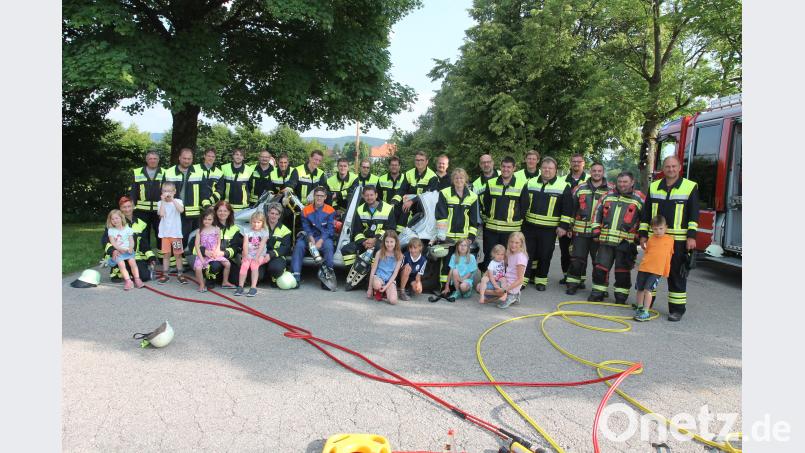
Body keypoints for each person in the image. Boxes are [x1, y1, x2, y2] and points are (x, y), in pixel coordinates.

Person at [639, 155, 700, 322]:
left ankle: (677, 310)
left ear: (679, 167)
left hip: (678, 241)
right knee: (652, 272)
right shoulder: (654, 187)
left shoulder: (689, 187)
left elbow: (694, 214)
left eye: (674, 166)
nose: (671, 169)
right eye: (667, 167)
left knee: (676, 275)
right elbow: (645, 213)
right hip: (656, 241)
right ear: (663, 169)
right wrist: (643, 234)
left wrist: (691, 237)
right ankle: (647, 304)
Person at [588, 172, 645, 304]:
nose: (622, 184)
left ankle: (621, 297)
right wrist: (596, 231)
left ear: (632, 182)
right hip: (606, 241)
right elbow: (597, 214)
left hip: (626, 244)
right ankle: (597, 293)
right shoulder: (607, 195)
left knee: (623, 272)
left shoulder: (640, 198)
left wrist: (639, 237)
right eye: (619, 181)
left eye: (625, 182)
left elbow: (646, 219)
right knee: (600, 269)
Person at [521, 157, 573, 290]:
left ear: (555, 170)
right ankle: (523, 280)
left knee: (545, 254)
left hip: (549, 229)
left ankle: (541, 281)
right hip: (529, 226)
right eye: (544, 168)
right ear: (540, 169)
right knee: (527, 254)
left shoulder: (563, 186)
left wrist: (563, 226)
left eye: (550, 168)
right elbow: (523, 204)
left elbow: (567, 209)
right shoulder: (530, 183)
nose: (547, 171)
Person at [565, 162, 612, 295]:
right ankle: (572, 284)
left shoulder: (611, 190)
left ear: (603, 172)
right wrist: (570, 227)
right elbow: (572, 210)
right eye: (594, 171)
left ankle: (600, 289)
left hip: (600, 234)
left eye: (599, 171)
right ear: (590, 172)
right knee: (576, 260)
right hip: (580, 232)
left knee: (600, 263)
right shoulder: (580, 188)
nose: (596, 173)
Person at [479, 156, 527, 270]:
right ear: (500, 167)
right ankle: (487, 279)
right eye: (504, 166)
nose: (506, 169)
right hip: (492, 228)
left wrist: (516, 220)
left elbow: (524, 206)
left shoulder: (521, 184)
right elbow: (486, 203)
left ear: (514, 168)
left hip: (511, 230)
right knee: (490, 254)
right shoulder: (491, 183)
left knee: (509, 257)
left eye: (509, 167)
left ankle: (505, 281)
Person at [434, 168, 478, 289]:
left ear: (465, 180)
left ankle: (457, 285)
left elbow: (473, 219)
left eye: (461, 178)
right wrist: (442, 235)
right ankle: (444, 286)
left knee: (461, 262)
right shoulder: (445, 193)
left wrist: (471, 237)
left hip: (463, 238)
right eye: (456, 178)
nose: (459, 180)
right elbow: (441, 215)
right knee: (447, 261)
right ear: (453, 180)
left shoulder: (473, 197)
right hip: (447, 236)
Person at [102, 196, 156, 282]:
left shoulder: (141, 223)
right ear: (120, 208)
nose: (127, 210)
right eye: (124, 207)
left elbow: (144, 243)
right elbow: (105, 241)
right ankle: (119, 271)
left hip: (133, 255)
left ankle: (129, 273)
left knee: (145, 277)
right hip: (119, 254)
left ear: (133, 206)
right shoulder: (115, 222)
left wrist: (151, 257)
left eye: (129, 206)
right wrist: (113, 251)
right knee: (121, 274)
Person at [341, 185, 396, 267]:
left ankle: (372, 274)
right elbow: (357, 231)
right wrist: (364, 242)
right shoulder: (359, 209)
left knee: (377, 249)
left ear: (376, 195)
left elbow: (390, 229)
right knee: (346, 249)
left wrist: (375, 240)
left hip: (380, 240)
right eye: (366, 195)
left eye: (371, 195)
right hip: (365, 241)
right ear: (363, 196)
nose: (369, 198)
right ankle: (354, 271)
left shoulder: (388, 208)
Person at [291, 186, 336, 286]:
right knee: (299, 246)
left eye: (321, 196)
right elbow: (306, 227)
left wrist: (320, 241)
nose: (319, 198)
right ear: (314, 196)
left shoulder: (331, 210)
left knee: (329, 247)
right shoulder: (305, 210)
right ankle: (295, 277)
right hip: (309, 237)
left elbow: (329, 230)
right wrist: (311, 239)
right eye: (317, 195)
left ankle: (327, 278)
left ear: (325, 197)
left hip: (324, 237)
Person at [634, 215, 675, 322]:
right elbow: (647, 254)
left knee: (648, 290)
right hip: (644, 267)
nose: (658, 231)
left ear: (666, 227)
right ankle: (639, 307)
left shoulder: (670, 240)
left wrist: (666, 271)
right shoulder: (651, 239)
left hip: (656, 270)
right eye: (655, 229)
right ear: (652, 229)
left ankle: (646, 311)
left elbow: (668, 256)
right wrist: (640, 265)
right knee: (640, 288)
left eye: (661, 228)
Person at [162, 147, 205, 247]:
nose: (187, 161)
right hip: (174, 210)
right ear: (179, 158)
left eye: (189, 158)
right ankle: (176, 256)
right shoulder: (169, 172)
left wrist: (206, 205)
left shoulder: (199, 172)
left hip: (193, 211)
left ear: (192, 159)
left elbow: (204, 191)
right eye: (184, 158)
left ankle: (187, 256)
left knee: (191, 235)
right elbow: (163, 191)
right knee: (176, 235)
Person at [559, 153, 588, 284]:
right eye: (573, 161)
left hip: (583, 223)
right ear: (570, 163)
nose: (576, 164)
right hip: (565, 221)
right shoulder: (563, 180)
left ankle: (580, 279)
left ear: (584, 163)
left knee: (580, 253)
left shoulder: (589, 180)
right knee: (565, 251)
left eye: (579, 161)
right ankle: (566, 276)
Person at [393, 151, 438, 232]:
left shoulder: (433, 177)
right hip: (409, 205)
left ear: (427, 162)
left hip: (424, 207)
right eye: (417, 160)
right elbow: (402, 190)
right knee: (397, 209)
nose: (419, 162)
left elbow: (427, 196)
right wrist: (394, 202)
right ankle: (399, 234)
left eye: (421, 160)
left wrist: (411, 201)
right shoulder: (409, 173)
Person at [202, 200, 242, 289]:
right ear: (215, 212)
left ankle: (221, 279)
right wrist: (205, 251)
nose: (222, 213)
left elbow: (234, 248)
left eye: (225, 211)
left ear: (229, 213)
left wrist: (223, 253)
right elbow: (194, 244)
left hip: (226, 258)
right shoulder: (209, 225)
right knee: (215, 266)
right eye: (220, 210)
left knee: (238, 280)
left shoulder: (234, 228)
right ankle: (210, 279)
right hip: (211, 258)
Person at [129, 150, 164, 246]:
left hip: (159, 210)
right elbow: (133, 192)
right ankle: (147, 258)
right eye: (150, 159)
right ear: (146, 160)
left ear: (158, 160)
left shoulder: (165, 172)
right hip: (141, 211)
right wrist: (132, 208)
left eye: (155, 158)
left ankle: (161, 258)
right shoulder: (137, 172)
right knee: (143, 234)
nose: (153, 161)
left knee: (160, 234)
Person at [192, 207, 231, 293]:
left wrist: (216, 252)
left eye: (209, 219)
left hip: (214, 253)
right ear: (202, 219)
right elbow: (197, 246)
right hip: (203, 255)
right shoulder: (199, 231)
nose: (207, 221)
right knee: (198, 268)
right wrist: (201, 259)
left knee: (227, 264)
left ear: (213, 220)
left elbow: (218, 243)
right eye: (205, 219)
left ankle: (225, 281)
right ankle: (202, 284)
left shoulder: (217, 229)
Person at [105, 209, 144, 290]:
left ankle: (137, 279)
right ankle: (128, 281)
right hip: (119, 252)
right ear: (110, 221)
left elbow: (131, 240)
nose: (115, 220)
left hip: (128, 251)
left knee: (133, 264)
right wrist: (119, 249)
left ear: (121, 218)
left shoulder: (128, 229)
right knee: (121, 265)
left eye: (117, 218)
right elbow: (113, 243)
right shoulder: (111, 231)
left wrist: (131, 248)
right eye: (112, 219)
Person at [156, 182, 187, 284]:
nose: (167, 193)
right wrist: (163, 201)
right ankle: (165, 274)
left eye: (169, 191)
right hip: (165, 235)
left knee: (178, 255)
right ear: (162, 192)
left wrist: (172, 199)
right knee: (166, 255)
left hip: (176, 235)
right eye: (165, 191)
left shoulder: (178, 201)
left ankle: (180, 274)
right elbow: (161, 214)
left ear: (174, 192)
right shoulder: (160, 203)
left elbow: (181, 210)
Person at [235, 211, 270, 297]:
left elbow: (262, 245)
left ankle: (253, 287)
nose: (256, 224)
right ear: (251, 222)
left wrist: (257, 256)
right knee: (244, 265)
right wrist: (245, 255)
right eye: (254, 222)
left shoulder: (264, 232)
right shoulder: (247, 231)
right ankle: (240, 286)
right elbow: (245, 243)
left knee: (254, 265)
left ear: (263, 223)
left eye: (258, 222)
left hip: (260, 254)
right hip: (249, 253)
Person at [260, 202, 294, 285]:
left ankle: (275, 274)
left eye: (276, 214)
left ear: (279, 216)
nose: (274, 216)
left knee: (276, 269)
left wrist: (271, 254)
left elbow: (285, 248)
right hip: (260, 255)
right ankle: (264, 275)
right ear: (268, 213)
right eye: (272, 213)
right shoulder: (260, 226)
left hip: (277, 256)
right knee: (258, 277)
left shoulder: (285, 230)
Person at [366, 231, 403, 305]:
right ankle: (378, 290)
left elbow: (395, 273)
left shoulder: (399, 255)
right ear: (384, 242)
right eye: (387, 242)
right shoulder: (379, 253)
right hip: (379, 277)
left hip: (390, 280)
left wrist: (386, 286)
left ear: (396, 242)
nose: (389, 244)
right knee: (377, 284)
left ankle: (385, 292)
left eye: (391, 242)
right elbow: (373, 270)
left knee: (393, 301)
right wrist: (369, 288)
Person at [497, 232, 528, 309]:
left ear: (521, 244)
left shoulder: (520, 258)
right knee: (480, 287)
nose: (513, 245)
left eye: (517, 243)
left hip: (511, 285)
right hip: (506, 280)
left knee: (489, 290)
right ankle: (512, 294)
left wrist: (506, 289)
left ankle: (513, 295)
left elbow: (520, 280)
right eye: (512, 242)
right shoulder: (511, 253)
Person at [267, 153, 299, 229]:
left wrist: (284, 191)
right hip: (276, 204)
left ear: (288, 163)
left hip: (291, 205)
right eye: (281, 162)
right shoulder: (272, 173)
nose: (283, 164)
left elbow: (292, 184)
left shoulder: (293, 171)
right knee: (277, 227)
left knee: (290, 227)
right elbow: (269, 189)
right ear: (278, 162)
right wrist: (272, 194)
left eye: (285, 162)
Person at [471, 153, 499, 222]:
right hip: (487, 224)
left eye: (488, 162)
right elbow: (476, 207)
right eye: (483, 163)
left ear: (492, 163)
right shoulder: (476, 184)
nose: (486, 164)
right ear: (480, 165)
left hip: (506, 223)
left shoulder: (503, 175)